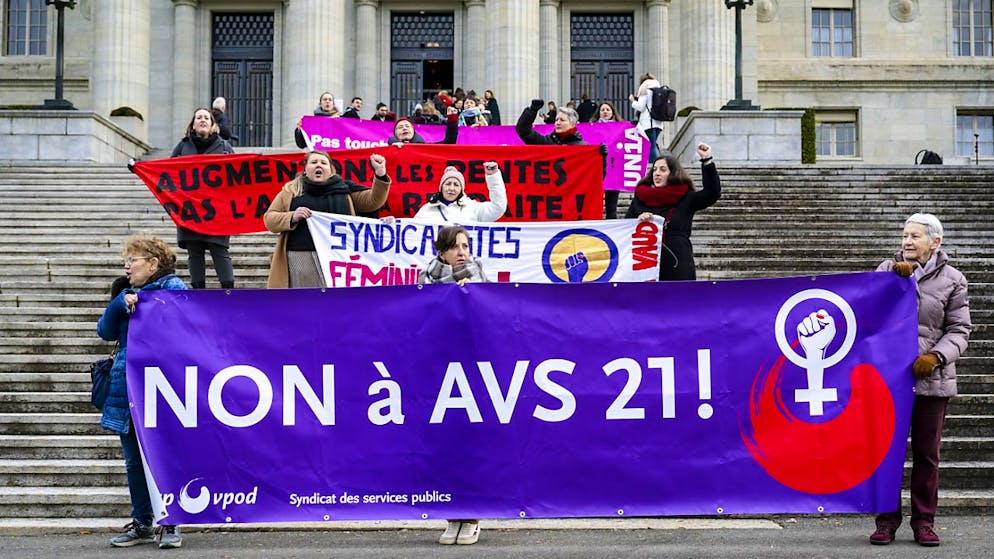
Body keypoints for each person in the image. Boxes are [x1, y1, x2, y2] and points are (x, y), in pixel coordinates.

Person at [869, 213, 971, 548]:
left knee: (927, 455)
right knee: (887, 453)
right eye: (904, 235)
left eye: (915, 236)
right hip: (889, 382)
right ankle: (886, 521)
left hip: (932, 380)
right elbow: (868, 314)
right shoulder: (887, 270)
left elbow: (959, 330)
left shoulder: (954, 279)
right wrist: (894, 284)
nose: (907, 241)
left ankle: (924, 522)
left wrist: (936, 356)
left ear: (935, 241)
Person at [98, 234, 187, 549]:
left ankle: (172, 521)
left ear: (153, 263)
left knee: (167, 457)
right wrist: (120, 304)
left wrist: (147, 302)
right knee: (134, 462)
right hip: (127, 388)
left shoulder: (172, 288)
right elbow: (105, 331)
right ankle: (142, 523)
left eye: (132, 259)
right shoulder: (123, 292)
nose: (126, 265)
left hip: (163, 387)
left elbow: (185, 321)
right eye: (126, 259)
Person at [264, 150, 390, 288]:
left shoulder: (344, 190)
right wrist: (292, 216)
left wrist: (380, 174)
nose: (319, 165)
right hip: (299, 257)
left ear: (331, 170)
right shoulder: (291, 191)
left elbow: (374, 201)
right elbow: (270, 219)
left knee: (335, 303)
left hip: (338, 257)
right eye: (314, 162)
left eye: (323, 163)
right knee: (303, 302)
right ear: (305, 169)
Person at [629, 143, 720, 281]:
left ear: (673, 173)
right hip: (645, 263)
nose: (657, 173)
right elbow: (625, 227)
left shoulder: (686, 197)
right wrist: (638, 221)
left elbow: (712, 193)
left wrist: (707, 160)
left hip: (678, 262)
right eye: (654, 170)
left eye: (663, 169)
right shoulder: (640, 199)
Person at [170, 108, 236, 289]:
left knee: (219, 249)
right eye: (198, 117)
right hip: (190, 209)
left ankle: (228, 290)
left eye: (206, 117)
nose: (202, 120)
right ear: (193, 124)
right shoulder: (182, 146)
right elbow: (167, 173)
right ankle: (198, 291)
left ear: (213, 124)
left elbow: (238, 175)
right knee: (195, 251)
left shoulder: (224, 147)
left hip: (217, 210)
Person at [413, 162, 506, 223]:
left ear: (462, 190)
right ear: (441, 187)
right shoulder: (427, 209)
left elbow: (498, 207)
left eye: (456, 185)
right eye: (448, 184)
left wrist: (493, 176)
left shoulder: (473, 208)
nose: (451, 188)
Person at [516, 99, 584, 146]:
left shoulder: (583, 147)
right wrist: (532, 111)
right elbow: (523, 131)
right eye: (556, 120)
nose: (558, 123)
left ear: (572, 124)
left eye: (562, 120)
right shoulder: (546, 142)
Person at [629, 72, 664, 163]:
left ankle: (655, 167)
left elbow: (641, 107)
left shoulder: (644, 88)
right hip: (658, 123)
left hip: (648, 123)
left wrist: (632, 101)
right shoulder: (658, 89)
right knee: (652, 145)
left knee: (650, 146)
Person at [388, 106, 459, 145]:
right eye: (400, 127)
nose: (404, 128)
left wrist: (452, 119)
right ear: (395, 134)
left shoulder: (425, 148)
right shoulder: (387, 149)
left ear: (413, 131)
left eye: (407, 126)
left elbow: (449, 143)